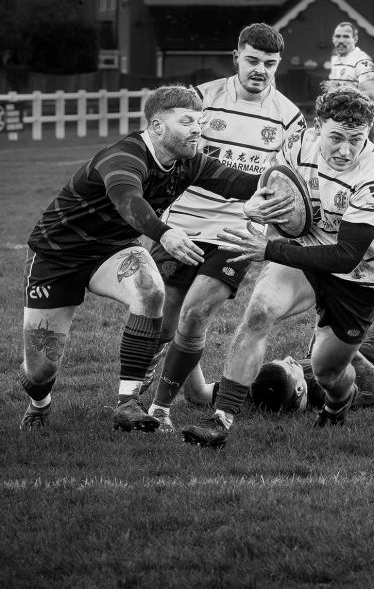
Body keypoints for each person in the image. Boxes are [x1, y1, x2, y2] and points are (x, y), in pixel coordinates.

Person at [18, 85, 287, 431]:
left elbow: (237, 182)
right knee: (41, 371)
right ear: (157, 126)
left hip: (113, 250)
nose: (197, 129)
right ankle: (39, 403)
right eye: (187, 121)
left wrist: (283, 187)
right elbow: (129, 201)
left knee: (151, 290)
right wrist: (164, 233)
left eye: (199, 121)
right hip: (57, 255)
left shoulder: (188, 161)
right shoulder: (124, 157)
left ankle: (128, 404)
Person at [181, 88, 374, 447]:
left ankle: (337, 404)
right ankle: (221, 420)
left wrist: (269, 249)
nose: (345, 150)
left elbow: (346, 255)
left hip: (357, 276)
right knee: (259, 312)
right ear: (318, 128)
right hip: (302, 252)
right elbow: (270, 192)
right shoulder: (298, 146)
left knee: (328, 373)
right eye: (336, 137)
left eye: (356, 140)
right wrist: (255, 208)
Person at [146, 23, 306, 429]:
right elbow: (163, 150)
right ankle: (195, 390)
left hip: (238, 230)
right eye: (252, 60)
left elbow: (293, 179)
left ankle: (159, 409)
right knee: (166, 319)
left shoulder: (289, 118)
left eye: (269, 63)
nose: (260, 70)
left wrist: (278, 208)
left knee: (196, 312)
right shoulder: (202, 99)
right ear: (236, 57)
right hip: (182, 223)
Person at [250, 309, 374, 412]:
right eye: (290, 364)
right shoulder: (325, 390)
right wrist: (348, 348)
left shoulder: (261, 389)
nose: (289, 358)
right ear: (299, 388)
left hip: (328, 355)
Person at [324, 21, 374, 142]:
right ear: (333, 38)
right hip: (340, 123)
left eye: (346, 36)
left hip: (359, 125)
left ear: (355, 39)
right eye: (337, 36)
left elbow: (372, 96)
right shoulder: (337, 60)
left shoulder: (362, 61)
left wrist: (343, 95)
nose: (341, 40)